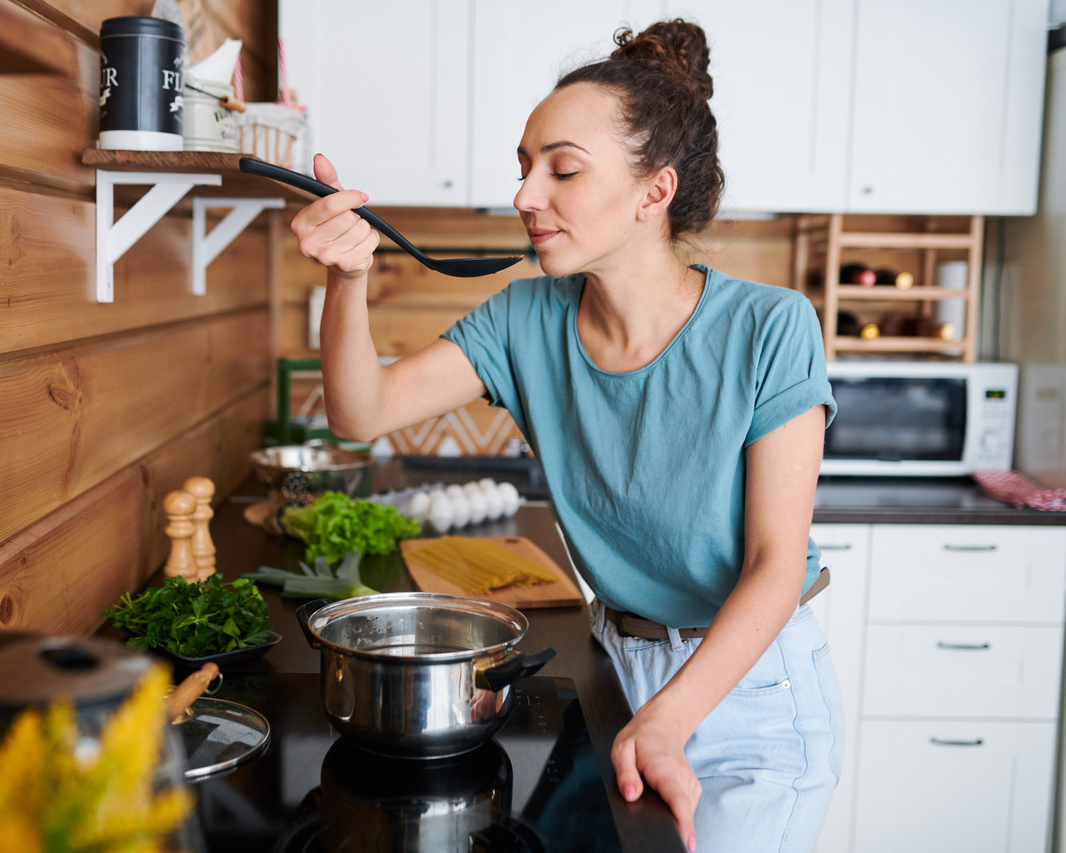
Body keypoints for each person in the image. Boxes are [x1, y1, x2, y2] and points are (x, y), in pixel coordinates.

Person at [288, 19, 842, 853]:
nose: (524, 195)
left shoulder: (770, 326)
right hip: (616, 663)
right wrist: (347, 275)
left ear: (654, 192)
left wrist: (669, 719)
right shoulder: (524, 319)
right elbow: (360, 413)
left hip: (748, 690)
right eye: (524, 167)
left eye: (563, 170)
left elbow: (773, 566)